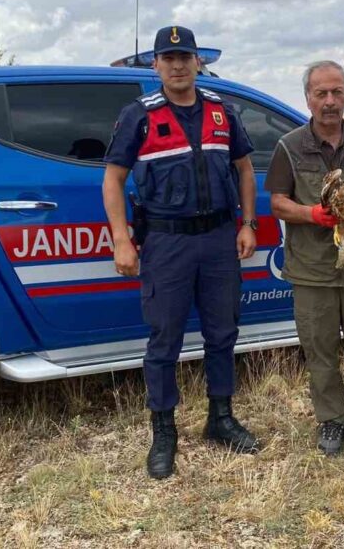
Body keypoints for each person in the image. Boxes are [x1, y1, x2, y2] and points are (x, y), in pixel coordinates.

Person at [102, 25, 261, 479]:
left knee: (222, 332)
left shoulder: (220, 111)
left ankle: (221, 418)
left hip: (218, 239)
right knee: (164, 340)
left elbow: (245, 170)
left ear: (197, 62)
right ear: (155, 65)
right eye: (167, 57)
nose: (176, 65)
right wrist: (120, 239)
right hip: (166, 242)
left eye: (184, 56)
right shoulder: (140, 115)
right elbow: (113, 180)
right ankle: (164, 431)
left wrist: (248, 224)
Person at [265, 60, 344, 460]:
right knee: (319, 349)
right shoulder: (289, 146)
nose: (329, 101)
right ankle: (332, 418)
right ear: (308, 97)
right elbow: (278, 202)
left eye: (337, 92)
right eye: (321, 93)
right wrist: (312, 215)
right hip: (312, 268)